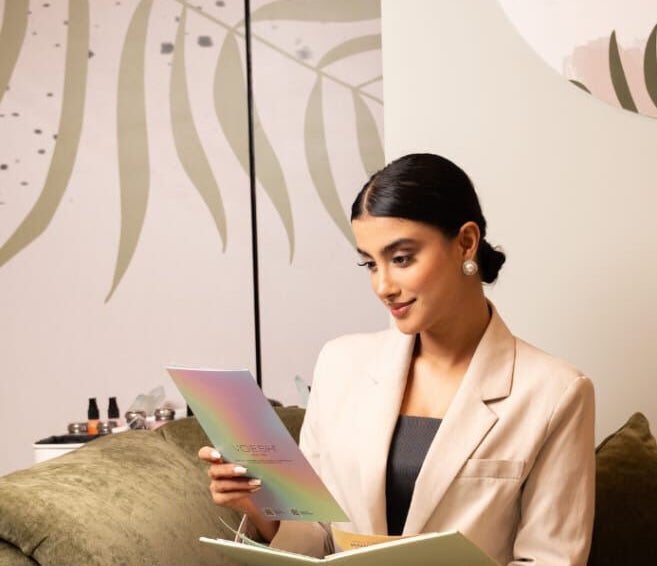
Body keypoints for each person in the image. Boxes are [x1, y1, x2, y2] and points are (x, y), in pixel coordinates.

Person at [198, 153, 596, 565]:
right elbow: (319, 538)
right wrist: (261, 506)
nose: (383, 286)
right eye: (370, 263)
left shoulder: (556, 392)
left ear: (466, 242)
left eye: (401, 258)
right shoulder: (340, 364)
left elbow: (551, 560)